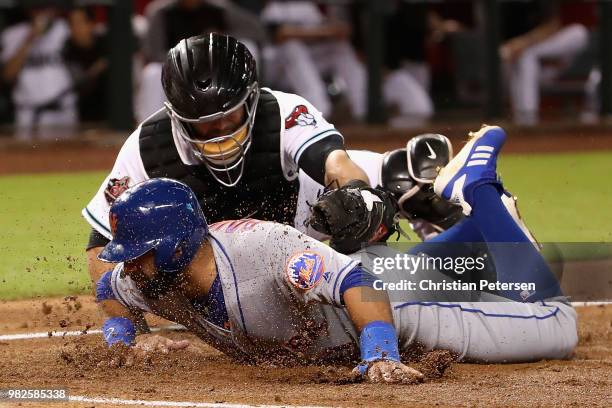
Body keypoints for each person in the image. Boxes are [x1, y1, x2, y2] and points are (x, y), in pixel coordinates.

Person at [94, 125, 577, 385]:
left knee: (557, 324)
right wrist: (124, 339)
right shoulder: (152, 276)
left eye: (140, 254)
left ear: (177, 246)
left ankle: (478, 185)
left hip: (392, 303)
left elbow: (355, 282)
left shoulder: (262, 250)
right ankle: (483, 228)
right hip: (374, 273)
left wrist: (381, 352)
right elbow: (109, 287)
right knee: (502, 263)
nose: (130, 265)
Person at [83, 33, 394, 326]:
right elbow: (100, 243)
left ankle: (417, 278)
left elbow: (338, 164)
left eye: (228, 117)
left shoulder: (282, 111)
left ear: (251, 99)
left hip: (302, 225)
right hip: (217, 273)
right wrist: (124, 331)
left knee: (397, 178)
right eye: (203, 126)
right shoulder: (148, 146)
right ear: (177, 118)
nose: (220, 132)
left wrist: (355, 195)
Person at [499, 0, 595, 125]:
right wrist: (516, 48)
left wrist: (523, 43)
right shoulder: (503, 7)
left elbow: (553, 26)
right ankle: (527, 123)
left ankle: (527, 122)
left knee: (578, 32)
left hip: (548, 63)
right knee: (523, 58)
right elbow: (507, 50)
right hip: (515, 69)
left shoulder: (542, 6)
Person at [1, 1, 76, 140]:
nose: (44, 12)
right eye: (39, 8)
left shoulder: (63, 29)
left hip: (63, 109)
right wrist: (31, 38)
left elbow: (86, 42)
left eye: (47, 8)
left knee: (70, 158)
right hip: (28, 113)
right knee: (26, 160)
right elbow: (7, 76)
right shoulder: (13, 34)